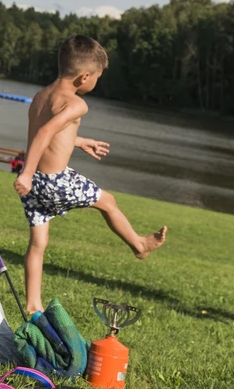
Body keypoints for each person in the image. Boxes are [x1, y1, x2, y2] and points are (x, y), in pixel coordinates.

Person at [14, 35, 167, 316]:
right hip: (52, 181)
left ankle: (33, 304)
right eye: (98, 76)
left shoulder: (41, 96)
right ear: (84, 76)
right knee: (107, 202)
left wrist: (79, 140)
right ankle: (139, 245)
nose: (97, 82)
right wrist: (25, 173)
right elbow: (45, 133)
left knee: (38, 243)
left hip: (35, 183)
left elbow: (47, 133)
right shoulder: (76, 104)